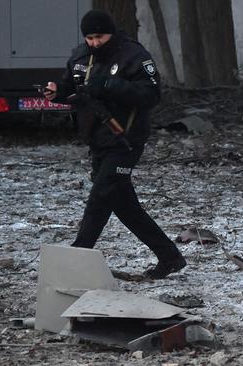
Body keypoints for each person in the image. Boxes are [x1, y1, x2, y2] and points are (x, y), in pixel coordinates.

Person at [44, 10, 186, 279]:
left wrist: (110, 85)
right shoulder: (80, 56)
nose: (95, 42)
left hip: (126, 139)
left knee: (101, 197)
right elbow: (71, 88)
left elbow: (151, 95)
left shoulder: (133, 56)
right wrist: (56, 92)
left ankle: (77, 257)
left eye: (100, 36)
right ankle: (170, 256)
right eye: (90, 38)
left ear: (111, 32)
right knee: (124, 206)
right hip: (97, 139)